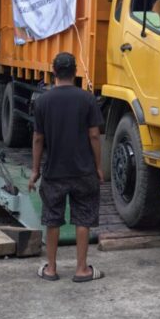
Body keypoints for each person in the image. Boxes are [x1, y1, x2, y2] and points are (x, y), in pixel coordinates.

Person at [28, 52, 106, 282]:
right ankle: (82, 269)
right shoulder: (88, 99)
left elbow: (38, 139)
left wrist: (35, 171)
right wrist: (98, 166)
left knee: (53, 218)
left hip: (54, 172)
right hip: (83, 171)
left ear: (54, 72)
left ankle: (51, 269)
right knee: (83, 218)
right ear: (75, 73)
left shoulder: (42, 101)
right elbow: (94, 135)